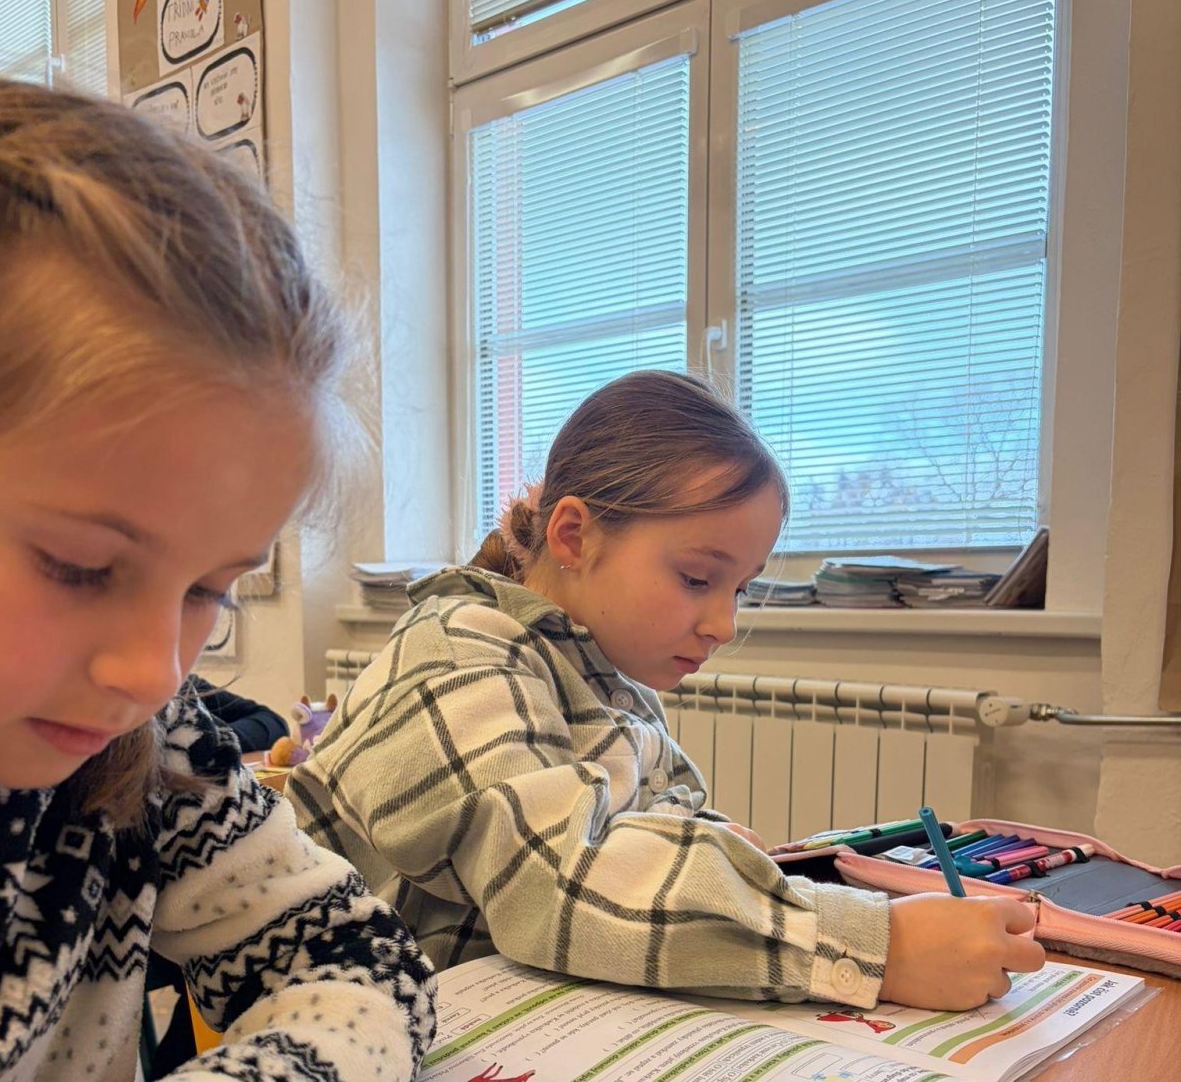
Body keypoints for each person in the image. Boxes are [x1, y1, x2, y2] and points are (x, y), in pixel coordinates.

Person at [0, 81, 676, 1082]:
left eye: (209, 591)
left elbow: (364, 969)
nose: (151, 667)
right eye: (79, 565)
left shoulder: (149, 748)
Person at [291, 370, 1045, 1012]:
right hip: (368, 1025)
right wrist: (879, 946)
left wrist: (721, 846)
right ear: (574, 536)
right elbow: (558, 885)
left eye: (739, 589)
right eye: (696, 578)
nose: (724, 624)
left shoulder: (605, 676)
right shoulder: (457, 650)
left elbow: (662, 815)